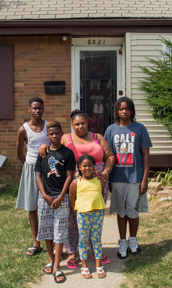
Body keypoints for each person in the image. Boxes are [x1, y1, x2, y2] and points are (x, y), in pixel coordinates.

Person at [38, 109, 115, 269]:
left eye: (83, 123)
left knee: (96, 215)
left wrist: (105, 173)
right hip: (75, 182)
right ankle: (72, 251)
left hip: (97, 182)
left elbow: (110, 156)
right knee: (73, 216)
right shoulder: (66, 137)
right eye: (77, 124)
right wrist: (44, 145)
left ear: (87, 122)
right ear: (72, 125)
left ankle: (96, 249)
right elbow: (54, 142)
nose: (80, 126)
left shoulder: (97, 137)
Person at [104, 97, 152, 259]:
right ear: (117, 111)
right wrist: (108, 178)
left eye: (127, 109)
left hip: (135, 178)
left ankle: (133, 240)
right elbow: (107, 155)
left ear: (132, 110)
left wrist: (144, 179)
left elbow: (145, 155)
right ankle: (122, 241)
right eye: (121, 109)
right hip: (117, 178)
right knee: (121, 212)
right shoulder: (111, 130)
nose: (124, 112)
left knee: (133, 211)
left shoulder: (140, 129)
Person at [35, 121, 75, 284]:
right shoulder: (43, 153)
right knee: (47, 229)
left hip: (61, 198)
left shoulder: (67, 153)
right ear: (47, 135)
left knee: (59, 231)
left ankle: (57, 266)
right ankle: (51, 259)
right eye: (51, 134)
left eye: (57, 133)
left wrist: (61, 197)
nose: (54, 136)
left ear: (62, 134)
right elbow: (38, 175)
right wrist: (44, 195)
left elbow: (69, 176)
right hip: (45, 197)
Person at [16, 97, 49, 257]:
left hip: (48, 170)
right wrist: (31, 165)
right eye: (34, 108)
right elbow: (19, 153)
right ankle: (36, 242)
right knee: (32, 206)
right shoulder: (23, 129)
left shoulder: (48, 127)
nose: (37, 111)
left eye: (40, 108)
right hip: (30, 169)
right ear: (29, 109)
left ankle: (52, 240)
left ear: (43, 109)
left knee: (49, 204)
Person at [69, 154, 107, 279]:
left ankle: (98, 266)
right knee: (83, 240)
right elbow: (72, 198)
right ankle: (84, 267)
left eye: (90, 165)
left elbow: (100, 195)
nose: (87, 168)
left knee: (97, 240)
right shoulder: (76, 182)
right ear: (79, 167)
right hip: (83, 215)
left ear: (94, 167)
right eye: (84, 166)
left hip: (97, 214)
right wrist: (76, 212)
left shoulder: (99, 180)